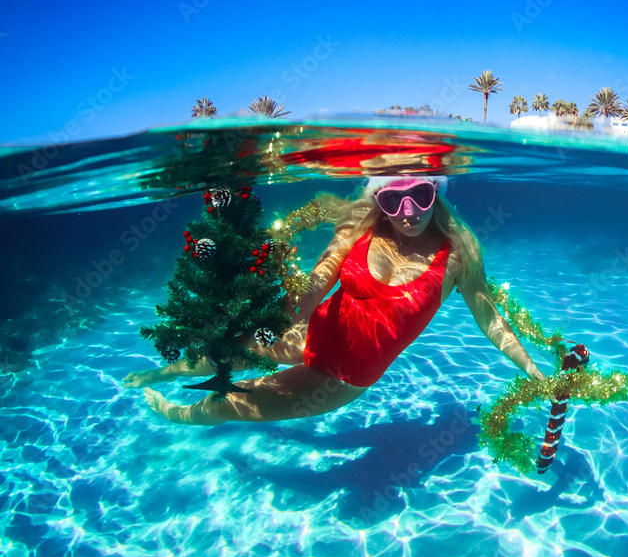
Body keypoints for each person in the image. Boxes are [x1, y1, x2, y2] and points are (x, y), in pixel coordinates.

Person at [124, 176, 545, 424]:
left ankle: (172, 414)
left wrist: (532, 369)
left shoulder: (459, 250)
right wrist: (275, 318)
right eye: (392, 199)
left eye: (420, 193)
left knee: (233, 405)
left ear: (436, 189)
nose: (408, 210)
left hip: (343, 378)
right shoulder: (359, 229)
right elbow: (317, 281)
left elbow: (490, 319)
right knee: (234, 351)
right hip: (311, 333)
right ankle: (165, 372)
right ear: (378, 198)